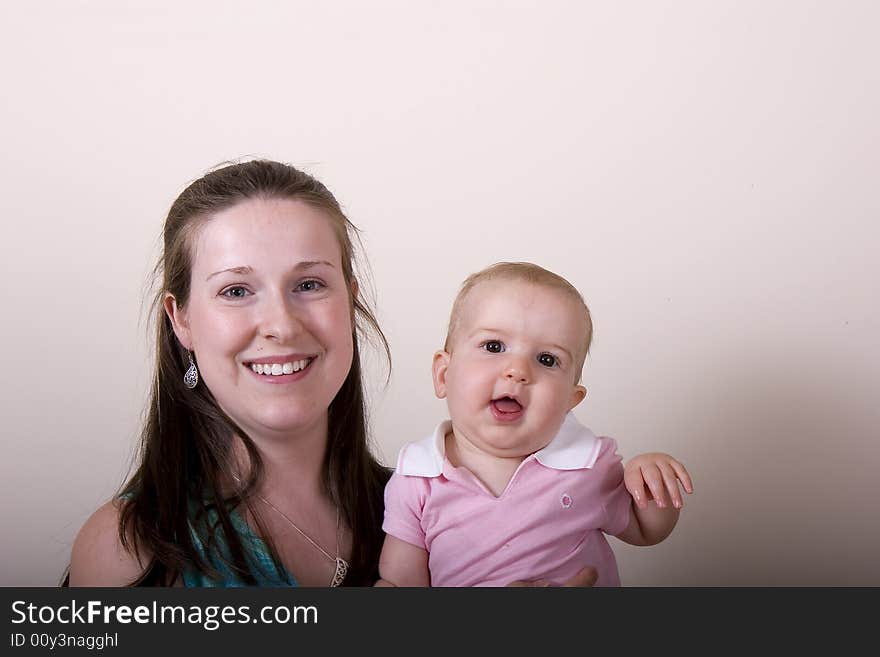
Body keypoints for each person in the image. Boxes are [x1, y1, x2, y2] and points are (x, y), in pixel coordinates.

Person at [68, 159, 390, 586]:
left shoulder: (436, 512)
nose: (281, 325)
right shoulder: (127, 552)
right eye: (235, 291)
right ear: (180, 319)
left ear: (350, 301)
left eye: (309, 284)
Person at [378, 263, 694, 586]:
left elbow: (645, 529)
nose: (517, 370)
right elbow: (401, 584)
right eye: (493, 346)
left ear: (570, 401)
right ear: (444, 375)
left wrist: (653, 487)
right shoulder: (417, 479)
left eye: (547, 359)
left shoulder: (586, 464)